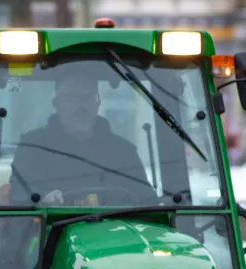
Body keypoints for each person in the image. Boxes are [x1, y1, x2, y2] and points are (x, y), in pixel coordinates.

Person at [9, 71, 157, 206]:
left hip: (117, 229)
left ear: (97, 103)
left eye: (89, 96)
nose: (82, 104)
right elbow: (19, 198)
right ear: (57, 104)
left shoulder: (123, 151)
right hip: (49, 230)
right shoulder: (33, 148)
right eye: (73, 97)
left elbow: (148, 202)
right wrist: (43, 198)